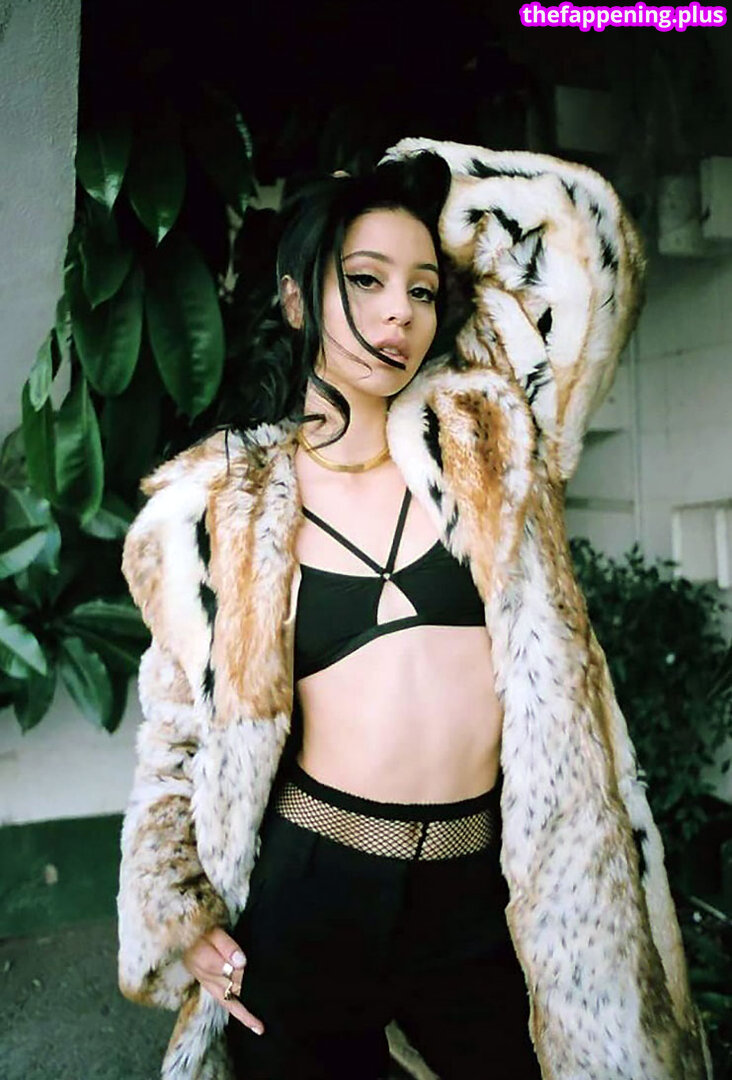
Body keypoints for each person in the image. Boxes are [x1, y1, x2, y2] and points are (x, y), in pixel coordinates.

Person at [118, 139, 709, 1080]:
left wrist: (412, 173)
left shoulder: (490, 439)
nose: (400, 310)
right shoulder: (220, 503)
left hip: (481, 894)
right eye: (365, 280)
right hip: (313, 885)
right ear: (296, 300)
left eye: (423, 289)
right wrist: (179, 911)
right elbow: (175, 734)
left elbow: (587, 255)